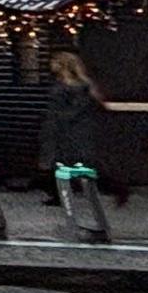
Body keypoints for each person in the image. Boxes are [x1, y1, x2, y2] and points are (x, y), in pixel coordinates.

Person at [42, 50, 122, 203]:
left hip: (72, 130)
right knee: (67, 162)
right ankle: (60, 194)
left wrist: (59, 119)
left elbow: (74, 109)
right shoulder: (80, 86)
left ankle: (112, 187)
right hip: (73, 129)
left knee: (74, 162)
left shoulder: (75, 88)